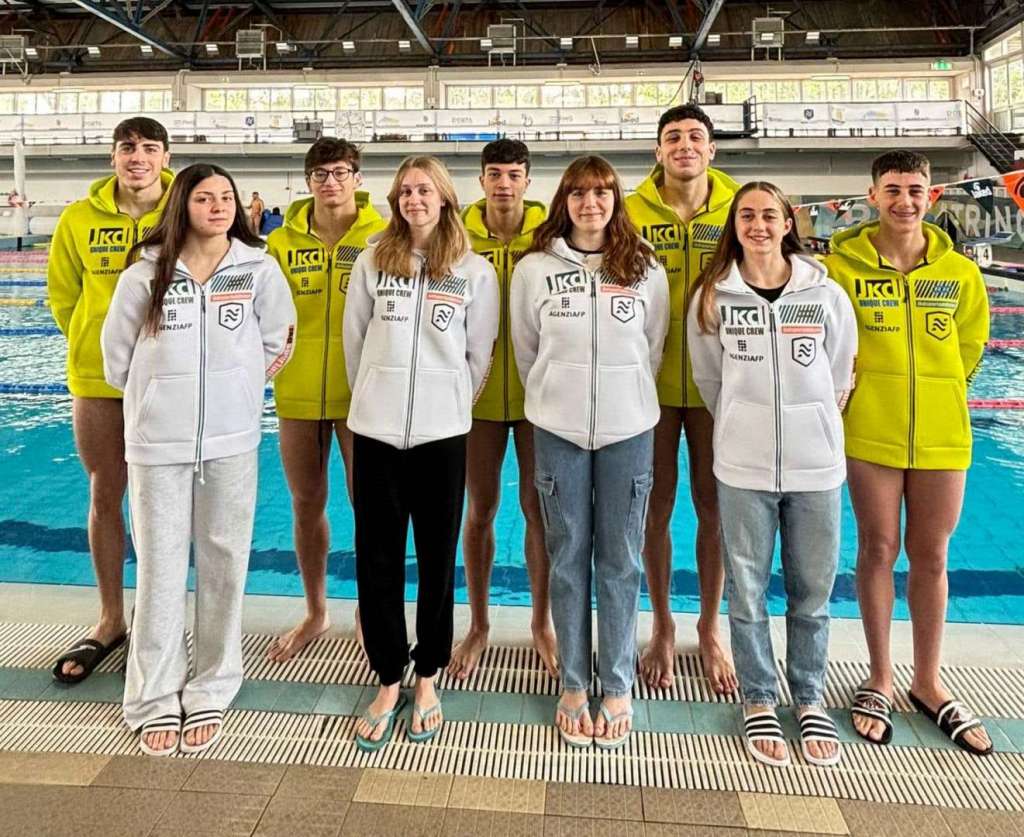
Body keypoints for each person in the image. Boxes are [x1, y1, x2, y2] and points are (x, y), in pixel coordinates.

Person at [101, 163, 296, 756]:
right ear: (182, 203)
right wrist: (161, 399)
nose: (219, 206)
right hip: (158, 442)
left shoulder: (258, 268)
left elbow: (277, 341)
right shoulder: (145, 273)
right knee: (159, 567)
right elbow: (117, 357)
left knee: (224, 561)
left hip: (232, 440)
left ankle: (213, 682)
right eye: (206, 197)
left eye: (227, 197)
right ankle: (153, 696)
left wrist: (234, 390)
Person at [825, 151, 993, 756]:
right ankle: (879, 676)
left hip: (945, 434)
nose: (904, 200)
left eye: (915, 189)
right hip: (870, 429)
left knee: (933, 555)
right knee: (876, 548)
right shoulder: (843, 268)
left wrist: (944, 390)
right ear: (872, 196)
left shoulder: (960, 273)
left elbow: (972, 344)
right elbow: (831, 341)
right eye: (892, 189)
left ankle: (928, 680)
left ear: (933, 196)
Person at [688, 182, 857, 768]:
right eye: (746, 215)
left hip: (816, 466)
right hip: (742, 463)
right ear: (733, 226)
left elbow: (840, 376)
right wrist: (743, 422)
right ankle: (759, 695)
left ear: (788, 223)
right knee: (748, 590)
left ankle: (808, 696)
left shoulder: (825, 293)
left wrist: (809, 422)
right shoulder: (714, 295)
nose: (757, 225)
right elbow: (711, 380)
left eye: (768, 215)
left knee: (812, 593)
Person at [511, 156, 669, 749]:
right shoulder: (533, 269)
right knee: (568, 554)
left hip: (630, 428)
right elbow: (528, 351)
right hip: (558, 429)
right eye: (578, 193)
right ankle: (576, 681)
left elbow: (651, 345)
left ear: (615, 200)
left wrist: (624, 395)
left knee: (622, 558)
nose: (590, 203)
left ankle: (618, 683)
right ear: (564, 201)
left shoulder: (645, 266)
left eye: (602, 193)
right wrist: (558, 396)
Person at [344, 156, 498, 751]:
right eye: (406, 190)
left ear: (444, 198)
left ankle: (428, 674)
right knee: (375, 559)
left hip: (442, 434)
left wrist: (452, 401)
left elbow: (477, 352)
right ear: (395, 199)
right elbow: (356, 343)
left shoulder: (473, 271)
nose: (414, 199)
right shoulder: (371, 261)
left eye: (424, 190)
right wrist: (375, 396)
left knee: (437, 560)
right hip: (377, 432)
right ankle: (387, 677)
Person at [46, 117, 173, 685]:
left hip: (169, 377)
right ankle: (110, 616)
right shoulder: (77, 218)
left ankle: (158, 620)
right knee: (105, 492)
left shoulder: (186, 208)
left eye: (149, 148)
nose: (138, 157)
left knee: (165, 501)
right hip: (96, 379)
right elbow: (62, 295)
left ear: (165, 155)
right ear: (113, 156)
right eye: (128, 147)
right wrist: (94, 342)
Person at [625, 104, 741, 693]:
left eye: (696, 137)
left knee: (715, 507)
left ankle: (710, 627)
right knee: (656, 507)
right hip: (649, 384)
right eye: (673, 137)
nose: (685, 146)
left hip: (722, 385)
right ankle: (663, 627)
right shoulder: (629, 211)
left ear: (711, 149)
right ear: (658, 150)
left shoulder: (738, 208)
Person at [265, 138, 387, 663]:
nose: (330, 182)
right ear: (307, 181)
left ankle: (367, 611)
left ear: (357, 179)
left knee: (371, 510)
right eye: (320, 173)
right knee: (306, 503)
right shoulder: (280, 243)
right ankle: (316, 610)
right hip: (295, 394)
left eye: (340, 172)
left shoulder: (383, 237)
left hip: (364, 397)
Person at [448, 138, 556, 681]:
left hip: (541, 398)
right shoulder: (456, 233)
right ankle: (480, 624)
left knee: (540, 514)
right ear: (482, 180)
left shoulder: (551, 236)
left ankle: (541, 623)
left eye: (514, 174)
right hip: (478, 399)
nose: (504, 184)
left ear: (528, 181)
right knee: (481, 510)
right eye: (495, 174)